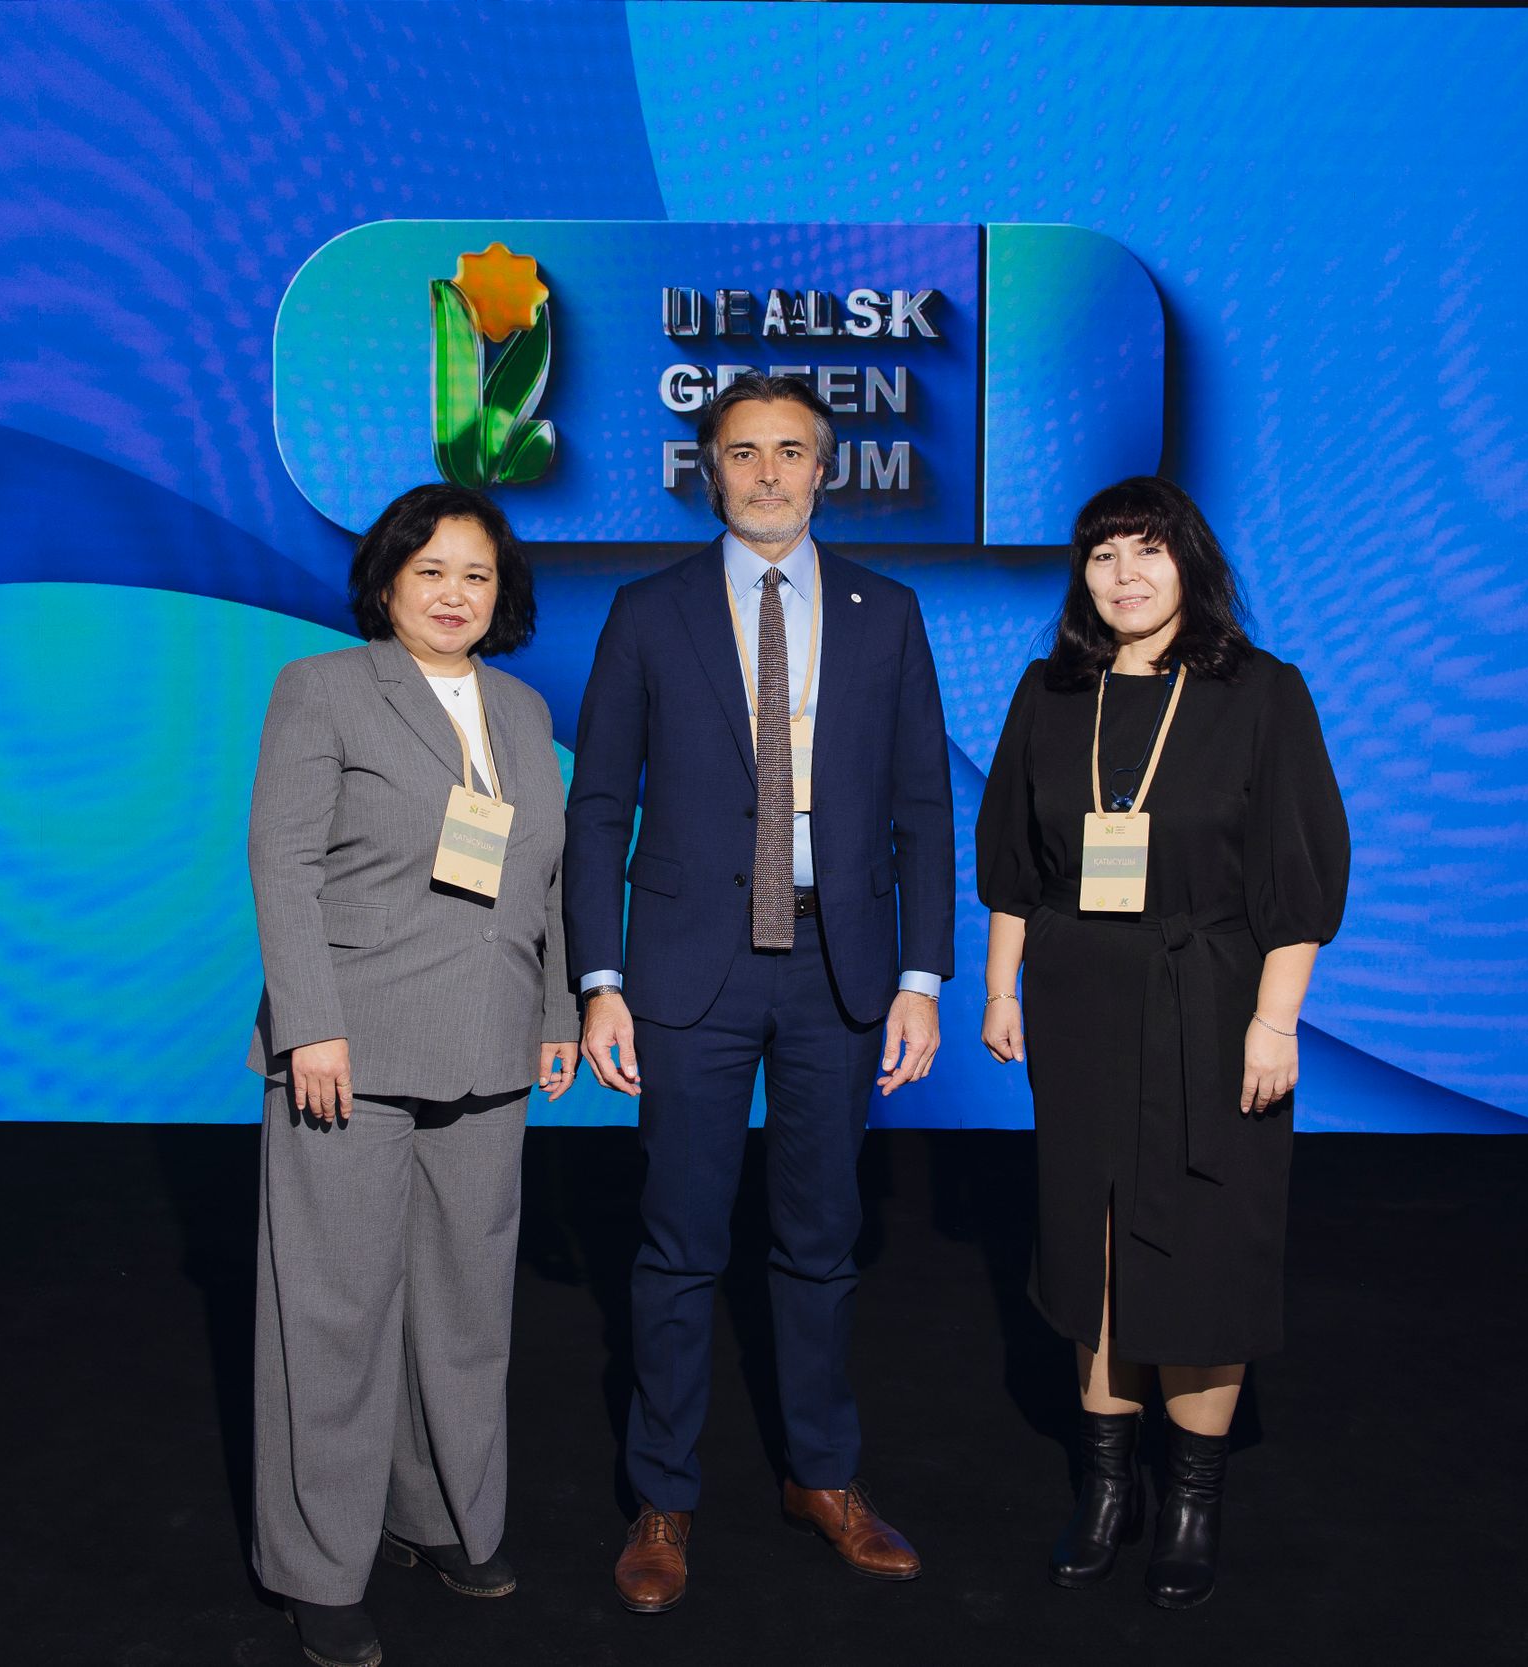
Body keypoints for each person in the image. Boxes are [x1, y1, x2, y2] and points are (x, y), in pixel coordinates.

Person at [565, 373, 956, 1612]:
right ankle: (662, 1495)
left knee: (822, 1239)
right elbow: (598, 804)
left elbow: (921, 804)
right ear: (710, 471)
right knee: (679, 1243)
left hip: (840, 968)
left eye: (792, 450)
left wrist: (920, 975)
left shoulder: (887, 610)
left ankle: (822, 1475)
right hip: (690, 967)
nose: (770, 473)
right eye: (744, 452)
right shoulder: (647, 610)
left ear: (825, 468)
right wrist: (599, 977)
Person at [975, 475, 1348, 1610]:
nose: (1124, 575)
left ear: (1191, 562)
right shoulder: (1049, 691)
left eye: (1147, 550)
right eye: (1102, 554)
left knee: (1203, 1247)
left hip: (1215, 1004)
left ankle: (1191, 1500)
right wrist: (1000, 989)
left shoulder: (1261, 692)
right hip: (1077, 1003)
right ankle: (1106, 1491)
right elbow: (1014, 865)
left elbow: (1300, 877)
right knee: (1088, 1244)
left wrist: (1275, 1020)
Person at [244, 483, 580, 1667]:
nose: (453, 593)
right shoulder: (323, 688)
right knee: (333, 1312)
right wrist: (309, 1025)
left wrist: (555, 1011)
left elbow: (543, 880)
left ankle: (436, 1515)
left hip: (490, 1045)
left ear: (502, 593)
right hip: (352, 1046)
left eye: (476, 574)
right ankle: (317, 1565)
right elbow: (281, 862)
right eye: (430, 569)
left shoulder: (525, 709)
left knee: (465, 1306)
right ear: (386, 580)